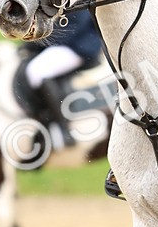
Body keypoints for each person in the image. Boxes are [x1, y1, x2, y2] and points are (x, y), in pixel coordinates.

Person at [16, 8, 102, 149]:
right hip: (66, 43)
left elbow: (72, 26)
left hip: (79, 45)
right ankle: (46, 120)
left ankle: (64, 128)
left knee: (37, 72)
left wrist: (37, 43)